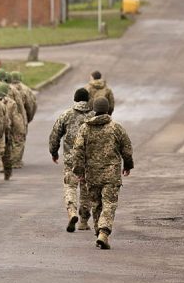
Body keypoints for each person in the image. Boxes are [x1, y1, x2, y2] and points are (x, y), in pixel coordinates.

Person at [72, 98, 133, 250]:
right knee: (109, 204)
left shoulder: (85, 128)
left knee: (96, 204)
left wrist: (79, 171)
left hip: (92, 174)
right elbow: (126, 148)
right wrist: (128, 165)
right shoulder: (116, 127)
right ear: (108, 110)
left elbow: (78, 150)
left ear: (94, 109)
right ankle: (103, 232)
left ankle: (99, 232)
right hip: (111, 175)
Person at [49, 88, 95, 232]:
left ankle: (72, 212)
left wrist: (54, 152)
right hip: (89, 161)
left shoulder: (66, 115)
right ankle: (83, 221)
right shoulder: (94, 116)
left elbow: (55, 135)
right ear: (88, 100)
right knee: (86, 190)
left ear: (75, 100)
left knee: (70, 187)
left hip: (71, 160)